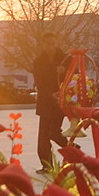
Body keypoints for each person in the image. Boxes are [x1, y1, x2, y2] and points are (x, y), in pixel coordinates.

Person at [32, 31, 69, 170]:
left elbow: (75, 74)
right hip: (45, 102)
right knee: (43, 138)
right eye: (48, 44)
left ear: (56, 42)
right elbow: (39, 83)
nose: (51, 46)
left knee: (54, 133)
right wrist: (50, 94)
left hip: (60, 102)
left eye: (53, 43)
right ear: (43, 44)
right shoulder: (38, 62)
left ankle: (73, 149)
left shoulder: (65, 58)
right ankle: (47, 165)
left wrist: (64, 71)